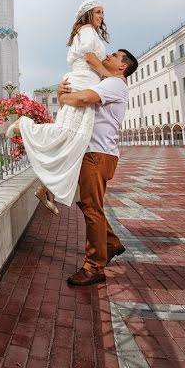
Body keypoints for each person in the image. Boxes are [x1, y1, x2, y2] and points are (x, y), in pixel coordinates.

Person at [6, 0, 116, 213]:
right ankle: (25, 125)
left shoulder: (88, 31)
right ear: (87, 14)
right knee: (68, 133)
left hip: (86, 80)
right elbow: (90, 57)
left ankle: (47, 189)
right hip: (84, 80)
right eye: (98, 12)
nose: (102, 16)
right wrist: (109, 76)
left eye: (103, 12)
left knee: (76, 140)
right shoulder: (86, 30)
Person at [57, 49, 137, 286]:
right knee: (85, 202)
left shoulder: (116, 84)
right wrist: (62, 93)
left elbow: (83, 99)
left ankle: (94, 267)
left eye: (114, 55)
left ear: (122, 66)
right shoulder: (107, 82)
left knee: (92, 208)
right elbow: (78, 107)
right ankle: (111, 243)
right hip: (92, 153)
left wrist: (63, 97)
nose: (109, 55)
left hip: (99, 154)